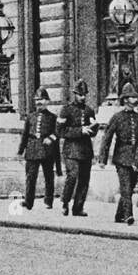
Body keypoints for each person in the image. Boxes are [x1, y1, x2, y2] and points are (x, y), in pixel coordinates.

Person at [99, 84, 138, 226]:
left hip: (136, 158)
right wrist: (102, 158)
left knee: (130, 187)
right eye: (132, 97)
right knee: (125, 188)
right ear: (125, 99)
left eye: (135, 97)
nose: (135, 99)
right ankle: (128, 215)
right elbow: (107, 138)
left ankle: (119, 214)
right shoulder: (117, 117)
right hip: (121, 157)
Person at [58, 79, 98, 216]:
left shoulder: (89, 111)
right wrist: (80, 131)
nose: (83, 97)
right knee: (72, 176)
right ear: (74, 94)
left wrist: (93, 128)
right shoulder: (66, 110)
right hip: (71, 150)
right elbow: (60, 131)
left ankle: (78, 208)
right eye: (80, 94)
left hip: (86, 150)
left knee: (84, 179)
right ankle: (65, 202)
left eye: (84, 94)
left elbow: (94, 131)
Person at [18, 87, 60, 210]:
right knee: (30, 177)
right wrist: (21, 151)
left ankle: (48, 201)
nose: (39, 102)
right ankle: (28, 201)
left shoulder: (53, 117)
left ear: (47, 101)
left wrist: (50, 139)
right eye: (37, 100)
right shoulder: (30, 117)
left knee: (49, 176)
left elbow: (58, 133)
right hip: (32, 150)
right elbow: (25, 134)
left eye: (41, 99)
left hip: (47, 151)